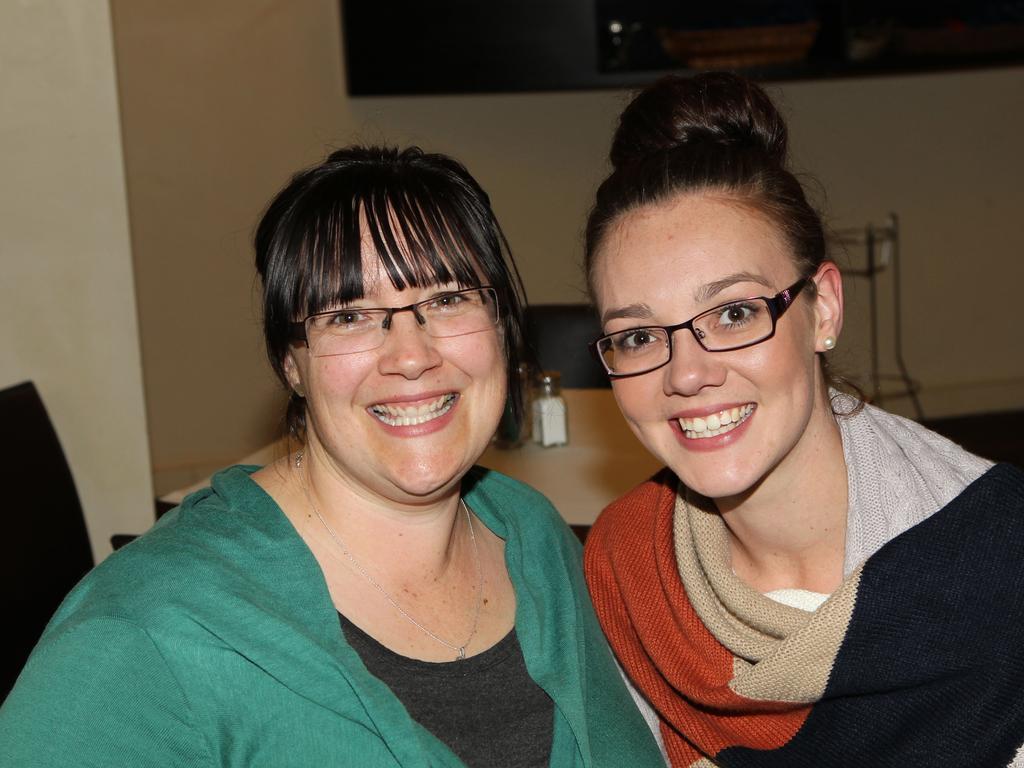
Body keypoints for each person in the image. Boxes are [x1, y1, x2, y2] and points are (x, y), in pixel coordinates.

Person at [0, 146, 663, 767]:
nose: (412, 355)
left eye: (449, 299)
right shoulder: (148, 628)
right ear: (292, 362)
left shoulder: (533, 536)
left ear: (502, 328)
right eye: (349, 315)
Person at [580, 72, 1024, 767]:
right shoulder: (627, 569)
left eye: (733, 313)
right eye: (639, 336)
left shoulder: (997, 560)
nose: (687, 374)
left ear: (823, 308)